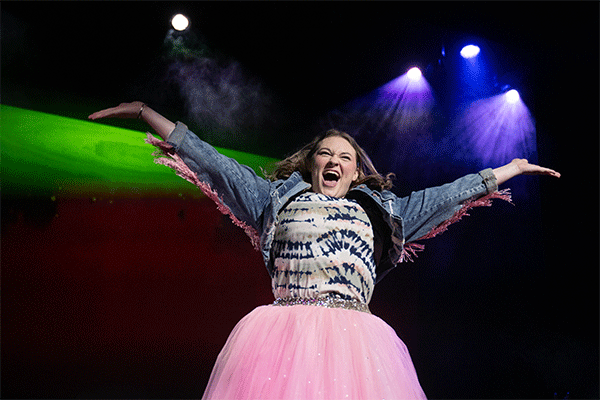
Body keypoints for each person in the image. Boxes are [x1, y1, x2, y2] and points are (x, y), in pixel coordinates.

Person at [89, 101, 560, 399]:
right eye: (324, 154)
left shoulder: (384, 213)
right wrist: (147, 113)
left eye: (344, 157)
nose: (332, 161)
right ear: (311, 163)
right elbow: (216, 163)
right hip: (278, 341)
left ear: (356, 172)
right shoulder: (275, 199)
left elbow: (444, 196)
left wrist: (509, 169)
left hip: (358, 347)